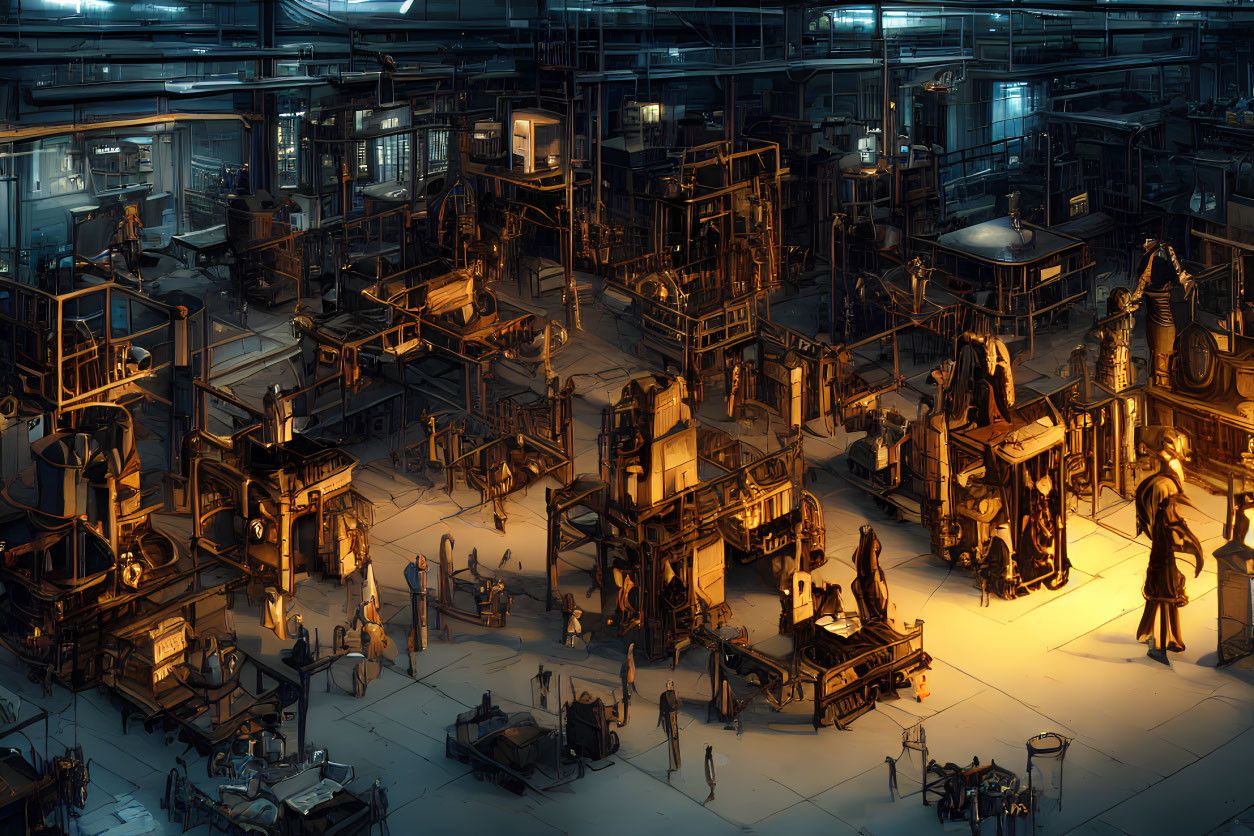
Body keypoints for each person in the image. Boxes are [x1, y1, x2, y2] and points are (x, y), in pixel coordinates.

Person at [1136, 494, 1204, 654]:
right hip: (1162, 567)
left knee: (1161, 601)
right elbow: (1168, 543)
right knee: (1166, 600)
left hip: (1163, 566)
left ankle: (1157, 636)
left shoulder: (1166, 522)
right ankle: (1165, 639)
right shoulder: (1166, 523)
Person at [658, 681, 681, 777]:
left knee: (674, 741)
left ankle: (676, 763)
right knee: (671, 742)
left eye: (670, 685)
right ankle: (673, 764)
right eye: (667, 685)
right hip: (669, 720)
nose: (669, 687)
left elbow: (673, 706)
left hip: (672, 720)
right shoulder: (664, 695)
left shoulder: (672, 694)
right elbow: (663, 709)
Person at [118, 204, 143, 277]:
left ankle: (135, 270)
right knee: (127, 258)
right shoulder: (123, 223)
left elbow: (140, 231)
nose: (130, 215)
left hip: (135, 243)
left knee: (136, 257)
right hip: (126, 244)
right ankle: (130, 269)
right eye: (129, 212)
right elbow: (120, 234)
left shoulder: (137, 222)